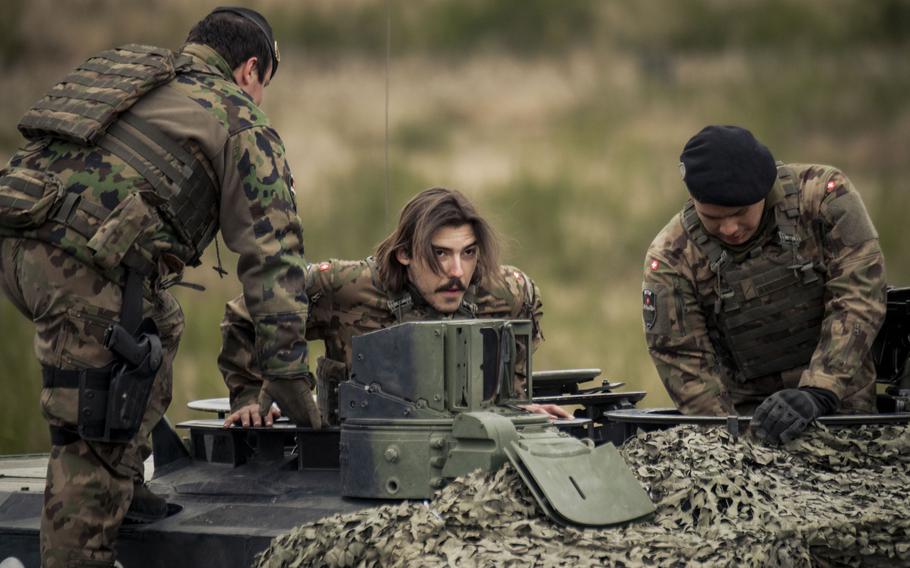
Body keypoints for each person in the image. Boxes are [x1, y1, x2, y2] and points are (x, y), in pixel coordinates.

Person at [0, 7, 313, 567]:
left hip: (17, 237)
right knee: (95, 434)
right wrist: (289, 379)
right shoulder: (240, 119)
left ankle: (128, 481)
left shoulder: (130, 72)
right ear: (249, 71)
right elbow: (273, 257)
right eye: (263, 84)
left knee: (160, 320)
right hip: (79, 268)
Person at [219, 187, 571, 427]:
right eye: (440, 254)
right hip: (353, 453)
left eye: (468, 252)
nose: (457, 272)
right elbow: (248, 313)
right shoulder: (344, 286)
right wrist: (248, 394)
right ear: (405, 254)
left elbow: (526, 316)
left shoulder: (506, 291)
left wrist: (516, 404)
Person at [642, 125, 886, 445]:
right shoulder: (672, 257)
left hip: (844, 411)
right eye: (712, 217)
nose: (729, 229)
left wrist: (819, 390)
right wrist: (733, 447)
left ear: (765, 190)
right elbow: (684, 362)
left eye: (741, 212)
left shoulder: (824, 196)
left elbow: (860, 295)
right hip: (749, 426)